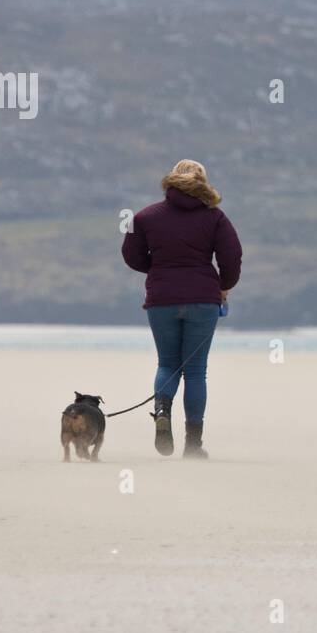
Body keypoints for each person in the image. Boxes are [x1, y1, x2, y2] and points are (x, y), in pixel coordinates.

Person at [122, 160, 242, 458]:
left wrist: (158, 269)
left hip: (161, 299)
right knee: (196, 371)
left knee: (167, 364)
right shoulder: (215, 218)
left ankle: (162, 411)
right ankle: (193, 444)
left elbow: (130, 254)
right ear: (203, 182)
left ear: (171, 181)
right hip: (203, 300)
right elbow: (232, 257)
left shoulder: (146, 216)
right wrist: (223, 286)